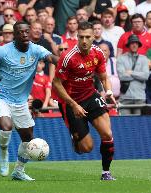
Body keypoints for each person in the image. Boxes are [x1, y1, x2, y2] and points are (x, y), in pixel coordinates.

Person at [0, 21, 58, 181]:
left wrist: (69, 64)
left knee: (28, 138)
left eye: (26, 31)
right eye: (20, 32)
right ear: (14, 35)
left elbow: (52, 58)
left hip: (21, 102)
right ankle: (4, 152)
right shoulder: (2, 51)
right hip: (1, 97)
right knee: (6, 127)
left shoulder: (36, 49)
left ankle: (18, 171)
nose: (24, 34)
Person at [52, 21, 117, 180]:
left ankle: (106, 173)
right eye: (81, 37)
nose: (84, 40)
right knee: (86, 148)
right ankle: (76, 138)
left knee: (107, 134)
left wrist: (108, 91)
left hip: (90, 95)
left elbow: (103, 77)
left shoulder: (98, 53)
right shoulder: (68, 57)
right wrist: (73, 105)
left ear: (94, 36)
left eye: (87, 37)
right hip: (70, 101)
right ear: (77, 37)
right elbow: (56, 83)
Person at [117, 34, 149, 115]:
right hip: (125, 97)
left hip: (139, 97)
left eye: (136, 43)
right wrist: (138, 75)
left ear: (138, 45)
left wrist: (131, 73)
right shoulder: (121, 58)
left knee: (139, 123)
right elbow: (121, 76)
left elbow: (145, 76)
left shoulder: (144, 59)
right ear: (128, 45)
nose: (134, 45)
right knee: (125, 123)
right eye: (132, 43)